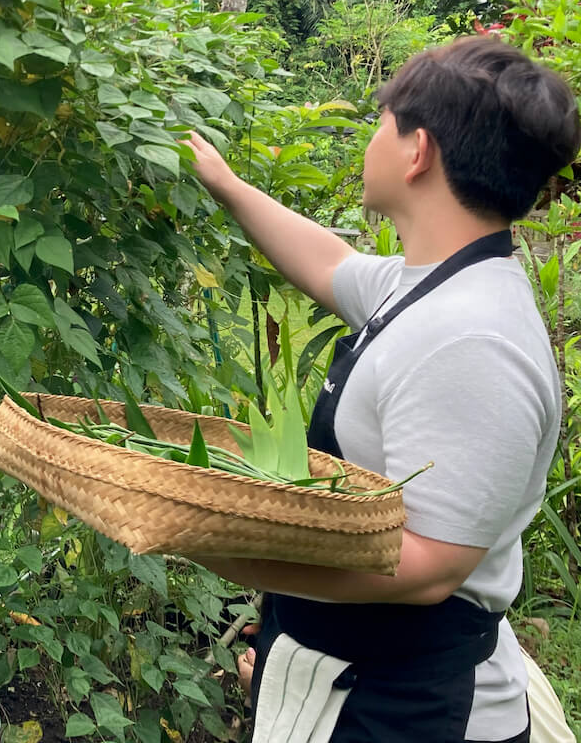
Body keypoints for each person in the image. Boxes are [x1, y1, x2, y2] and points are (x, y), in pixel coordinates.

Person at [186, 36, 581, 743]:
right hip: (370, 680)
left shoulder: (472, 339)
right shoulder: (434, 284)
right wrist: (223, 181)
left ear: (416, 151)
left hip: (413, 711)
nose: (371, 138)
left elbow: (428, 566)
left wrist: (213, 543)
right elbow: (331, 263)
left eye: (381, 123)